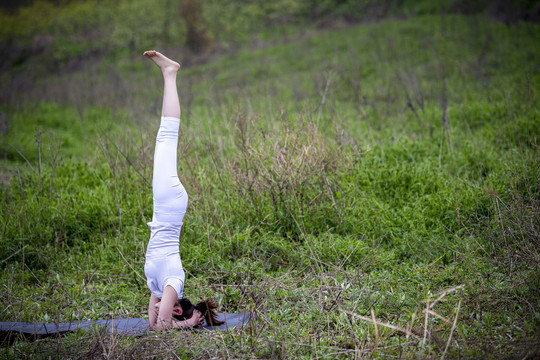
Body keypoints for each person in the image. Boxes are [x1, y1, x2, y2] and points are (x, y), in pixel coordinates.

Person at [143, 50, 224, 330]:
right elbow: (162, 328)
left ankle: (170, 73)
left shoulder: (156, 286)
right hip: (169, 204)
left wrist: (164, 313)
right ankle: (170, 72)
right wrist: (188, 323)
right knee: (165, 138)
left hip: (164, 206)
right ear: (179, 302)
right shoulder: (174, 281)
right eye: (179, 307)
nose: (172, 307)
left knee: (164, 140)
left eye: (173, 310)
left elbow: (154, 324)